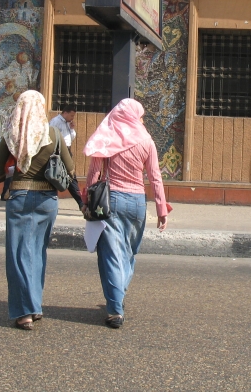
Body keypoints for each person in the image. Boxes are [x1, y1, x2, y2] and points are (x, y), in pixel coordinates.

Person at [0, 90, 75, 330]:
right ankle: (35, 306)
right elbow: (70, 168)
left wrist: (14, 169)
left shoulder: (11, 135)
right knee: (37, 252)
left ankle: (24, 312)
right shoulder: (54, 134)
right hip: (48, 201)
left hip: (20, 197)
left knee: (19, 255)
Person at [82, 98, 169, 329]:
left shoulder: (108, 136)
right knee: (129, 253)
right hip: (138, 203)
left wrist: (86, 200)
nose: (141, 120)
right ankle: (118, 293)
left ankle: (114, 309)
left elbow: (94, 172)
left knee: (111, 254)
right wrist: (162, 209)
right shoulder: (147, 141)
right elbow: (155, 176)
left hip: (112, 201)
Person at [49, 104, 83, 208]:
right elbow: (51, 136)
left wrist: (72, 129)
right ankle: (80, 201)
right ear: (65, 113)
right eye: (71, 115)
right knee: (67, 174)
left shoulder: (68, 123)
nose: (72, 118)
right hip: (58, 151)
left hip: (67, 150)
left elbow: (71, 138)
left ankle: (80, 200)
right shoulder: (56, 122)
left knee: (70, 175)